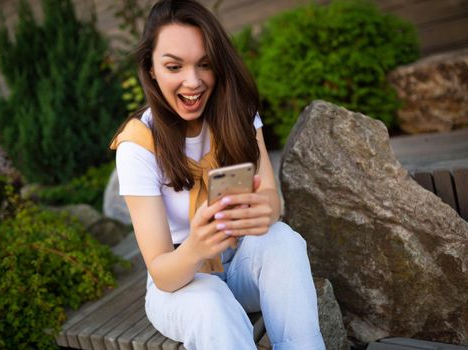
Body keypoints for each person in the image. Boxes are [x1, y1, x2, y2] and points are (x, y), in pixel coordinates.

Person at [110, 1, 325, 349]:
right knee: (210, 302)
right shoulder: (138, 144)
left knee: (283, 239)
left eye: (204, 64)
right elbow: (163, 272)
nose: (192, 82)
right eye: (173, 66)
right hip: (182, 279)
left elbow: (271, 199)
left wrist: (262, 210)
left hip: (239, 260)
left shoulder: (236, 112)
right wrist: (196, 246)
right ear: (150, 69)